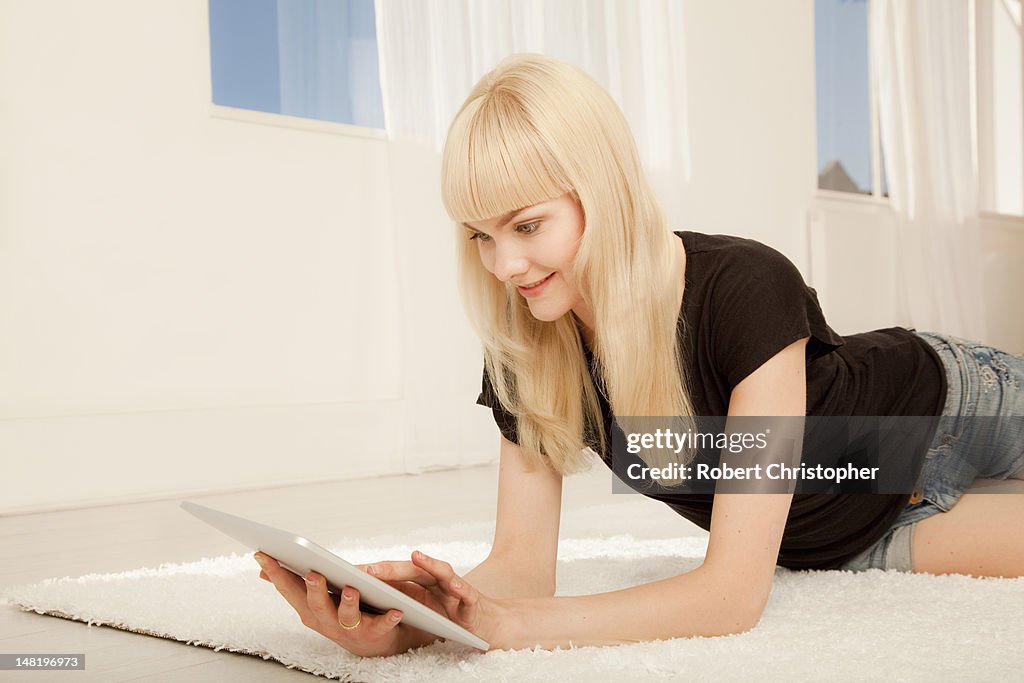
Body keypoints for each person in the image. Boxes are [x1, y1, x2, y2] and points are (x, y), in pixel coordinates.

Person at [254, 53, 1024, 656]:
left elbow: (728, 597)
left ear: (601, 187)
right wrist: (399, 625)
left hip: (951, 410)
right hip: (859, 539)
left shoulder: (743, 286)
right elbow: (520, 572)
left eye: (527, 226)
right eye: (482, 237)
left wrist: (521, 629)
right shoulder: (525, 345)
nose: (506, 265)